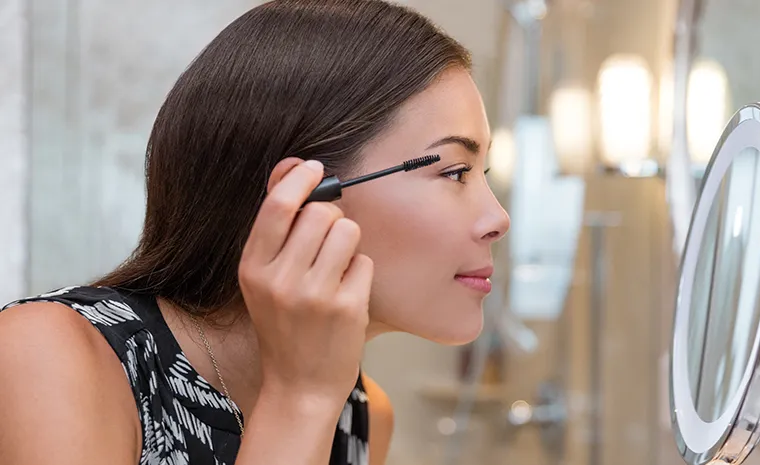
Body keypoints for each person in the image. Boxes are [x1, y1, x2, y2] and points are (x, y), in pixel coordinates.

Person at [0, 1, 510, 464]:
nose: (498, 219)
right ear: (303, 195)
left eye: (482, 175)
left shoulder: (364, 416)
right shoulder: (49, 354)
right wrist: (299, 401)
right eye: (454, 172)